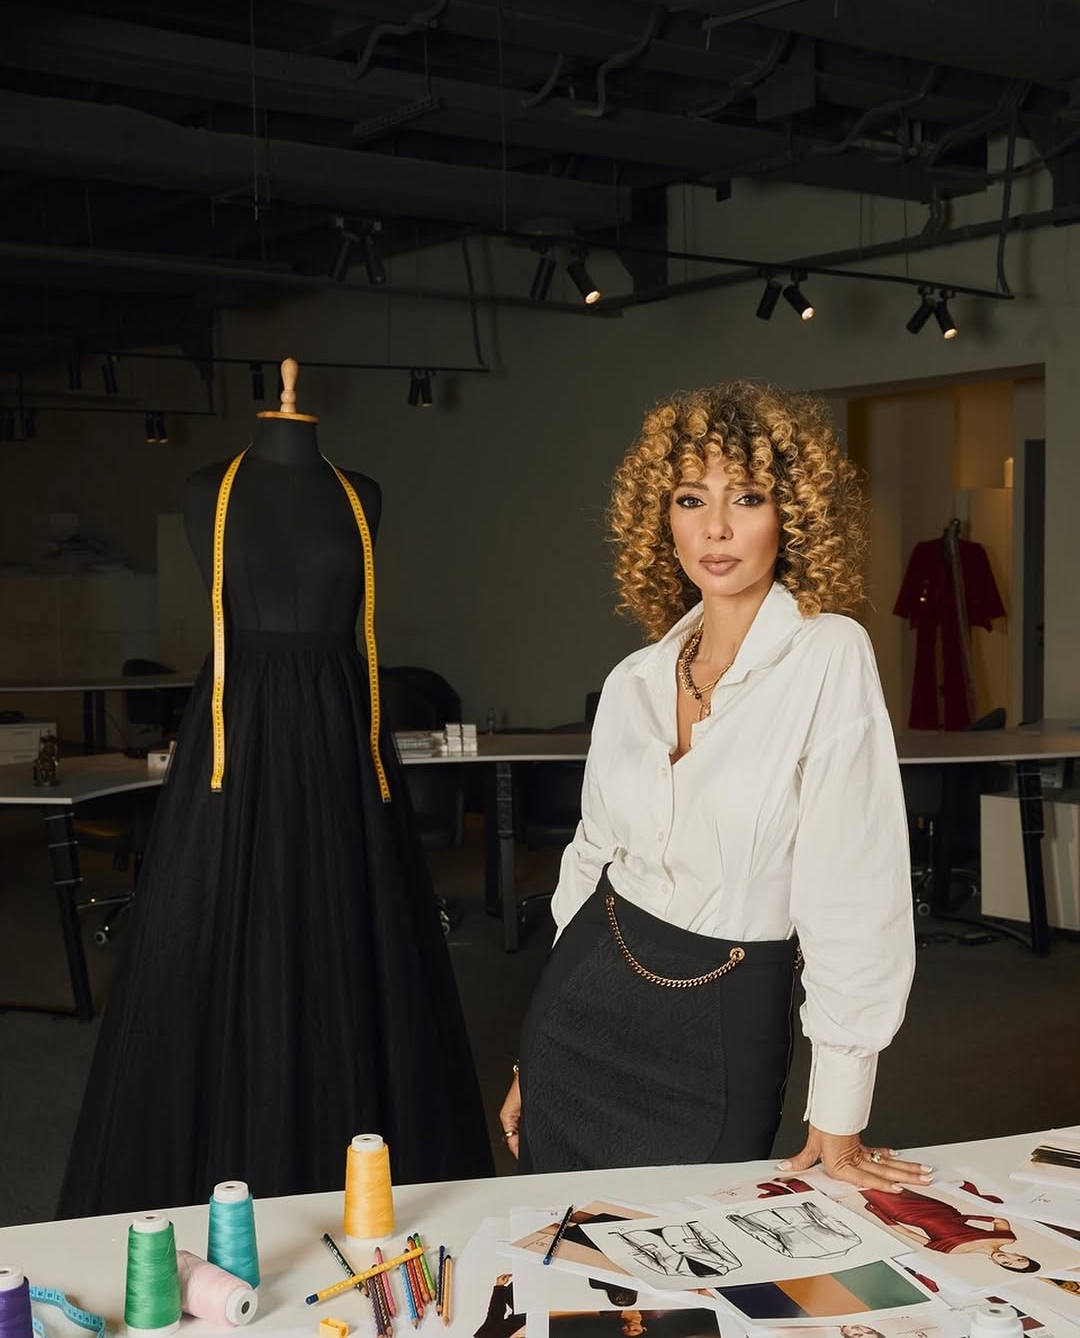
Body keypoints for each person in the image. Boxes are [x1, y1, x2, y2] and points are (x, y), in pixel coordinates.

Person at [57, 388, 492, 1217]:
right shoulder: (206, 488)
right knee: (217, 932)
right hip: (239, 736)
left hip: (341, 740)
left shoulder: (360, 493)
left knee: (351, 931)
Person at [500, 380, 922, 1188]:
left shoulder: (829, 656)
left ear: (792, 516)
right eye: (691, 499)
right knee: (565, 1249)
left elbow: (854, 890)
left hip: (722, 1024)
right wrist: (530, 1053)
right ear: (662, 518)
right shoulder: (633, 679)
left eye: (748, 497)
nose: (716, 527)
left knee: (697, 1249)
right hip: (579, 1011)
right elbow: (590, 860)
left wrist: (840, 1112)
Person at [860, 1188, 1039, 1271]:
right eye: (1018, 1259)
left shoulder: (954, 1251)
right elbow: (1000, 1220)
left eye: (1007, 1263)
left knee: (868, 1188)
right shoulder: (1006, 1239)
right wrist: (966, 1217)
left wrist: (879, 1214)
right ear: (1021, 1254)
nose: (1007, 1258)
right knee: (890, 1184)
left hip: (907, 1215)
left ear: (998, 1265)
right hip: (941, 1209)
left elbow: (907, 1233)